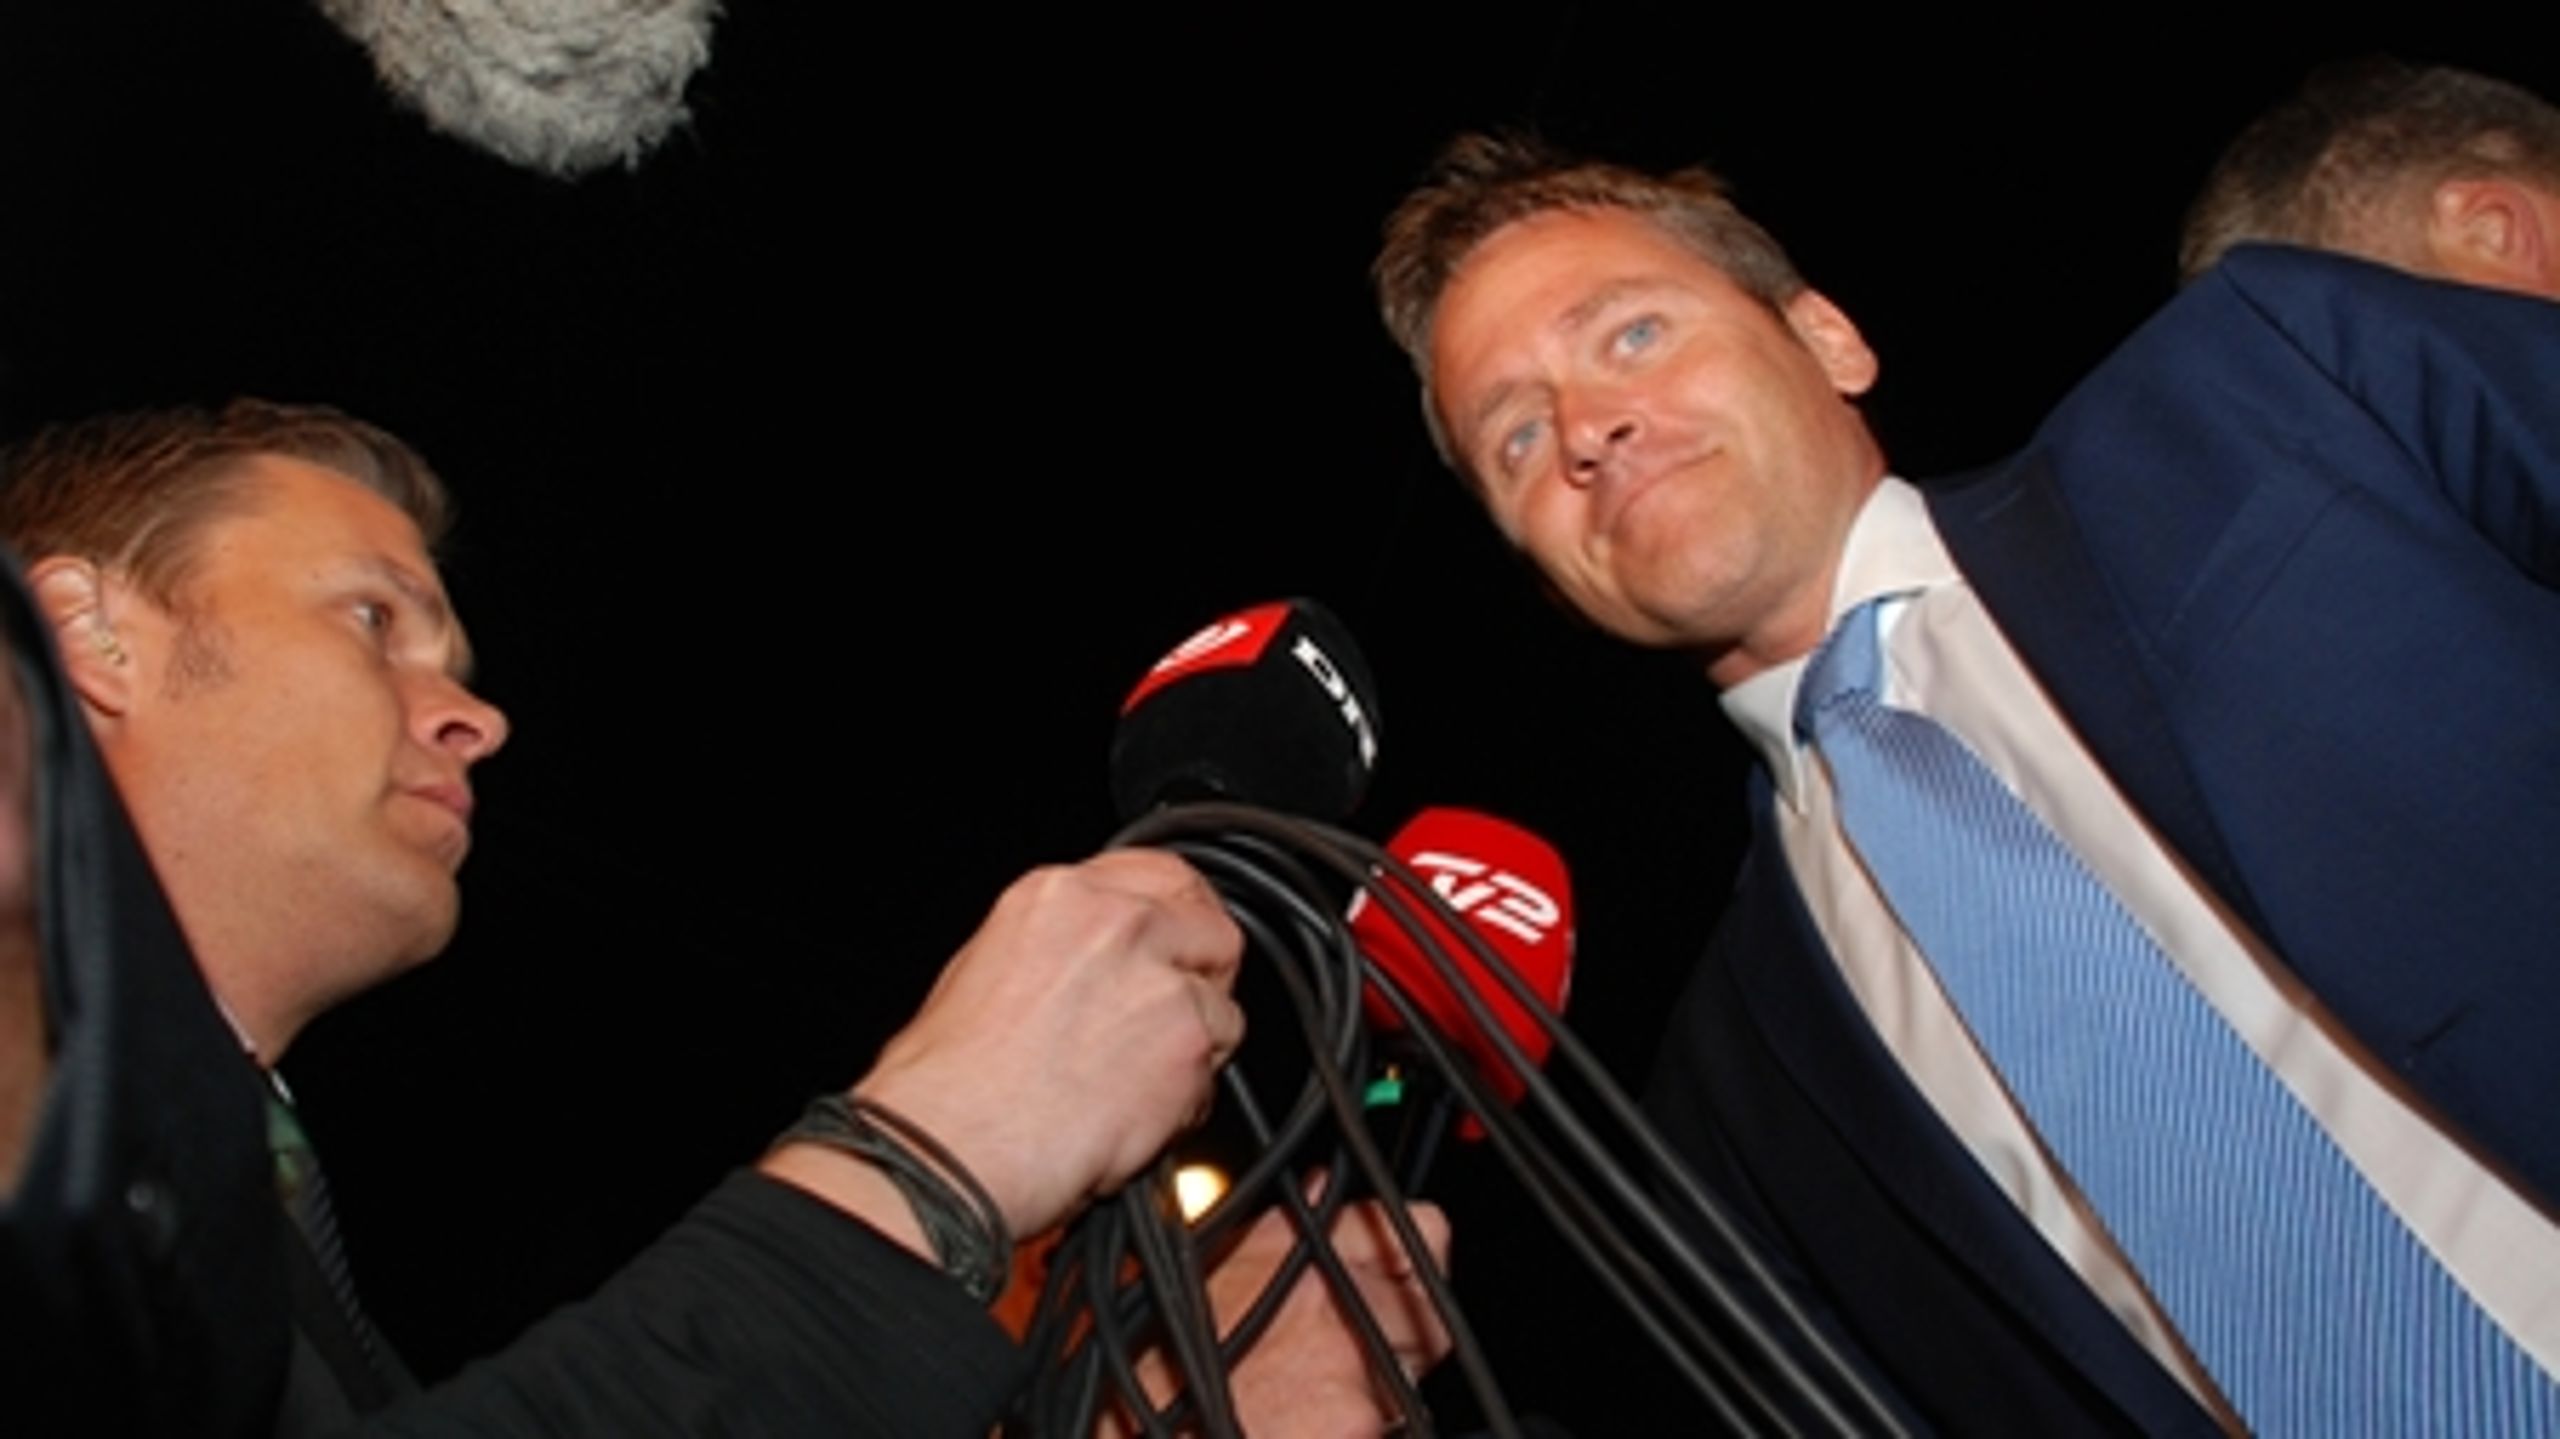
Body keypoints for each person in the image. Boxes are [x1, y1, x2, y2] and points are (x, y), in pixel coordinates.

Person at [1372, 115, 2560, 1435]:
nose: (1587, 427)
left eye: (1633, 333)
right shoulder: (1728, 1126)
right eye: (1518, 440)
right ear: (1544, 577)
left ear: (1828, 339)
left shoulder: (2264, 391)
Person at [0, 399, 1450, 1435]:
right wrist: (932, 1159)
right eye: (374, 619)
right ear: (84, 632)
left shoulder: (235, 1230)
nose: (477, 718)